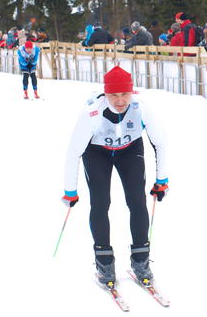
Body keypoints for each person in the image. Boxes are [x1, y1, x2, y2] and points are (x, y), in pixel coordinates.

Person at [61, 66, 169, 287]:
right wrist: (70, 191)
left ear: (132, 91)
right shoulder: (91, 113)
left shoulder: (141, 108)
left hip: (129, 151)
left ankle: (141, 260)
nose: (120, 100)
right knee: (101, 203)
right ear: (106, 93)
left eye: (125, 94)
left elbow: (160, 143)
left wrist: (162, 180)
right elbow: (73, 152)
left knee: (137, 201)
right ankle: (104, 263)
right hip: (97, 153)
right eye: (114, 95)